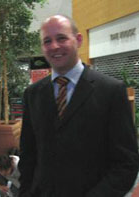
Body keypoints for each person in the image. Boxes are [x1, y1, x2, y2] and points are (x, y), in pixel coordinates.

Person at [18, 15, 139, 197]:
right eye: (47, 41)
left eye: (61, 38)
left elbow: (126, 162)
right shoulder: (33, 94)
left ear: (79, 40)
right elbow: (28, 156)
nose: (54, 46)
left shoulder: (111, 91)